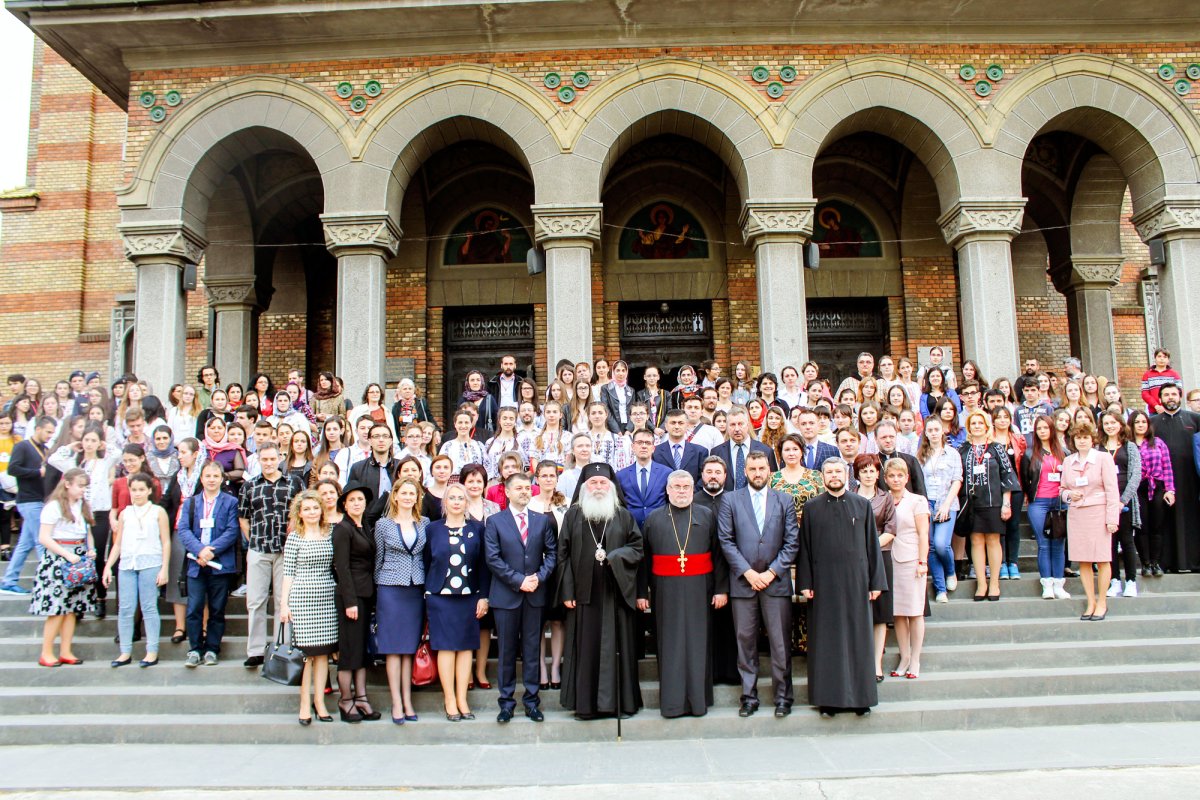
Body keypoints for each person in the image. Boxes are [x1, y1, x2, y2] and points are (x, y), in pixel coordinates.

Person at [797, 457, 887, 717]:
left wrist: (876, 581)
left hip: (856, 582)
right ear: (823, 476)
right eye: (829, 472)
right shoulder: (812, 507)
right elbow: (805, 547)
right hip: (823, 583)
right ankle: (828, 700)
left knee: (859, 639)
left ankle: (861, 699)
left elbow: (872, 545)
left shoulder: (862, 504)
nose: (834, 475)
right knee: (826, 641)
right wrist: (805, 582)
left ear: (847, 475)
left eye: (838, 471)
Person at [638, 470, 728, 717]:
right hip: (665, 591)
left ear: (692, 489)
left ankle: (698, 701)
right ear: (668, 490)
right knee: (670, 644)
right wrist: (641, 592)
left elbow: (719, 555)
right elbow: (644, 559)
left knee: (698, 643)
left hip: (701, 589)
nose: (681, 491)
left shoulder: (706, 515)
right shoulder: (654, 518)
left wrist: (721, 589)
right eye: (676, 487)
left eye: (686, 487)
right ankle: (672, 703)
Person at [558, 462, 644, 719]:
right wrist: (567, 591)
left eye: (603, 483)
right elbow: (562, 555)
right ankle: (586, 706)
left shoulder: (623, 515)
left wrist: (616, 557)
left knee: (616, 647)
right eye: (593, 483)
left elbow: (637, 548)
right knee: (587, 648)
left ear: (611, 486)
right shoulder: (573, 516)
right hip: (583, 595)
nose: (598, 487)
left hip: (615, 591)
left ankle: (619, 704)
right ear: (584, 487)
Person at [717, 450, 799, 718]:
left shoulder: (784, 500)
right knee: (746, 644)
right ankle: (749, 698)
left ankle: (783, 698)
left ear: (769, 470)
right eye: (752, 469)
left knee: (780, 644)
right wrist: (749, 573)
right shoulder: (731, 500)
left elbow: (792, 542)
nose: (757, 473)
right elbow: (726, 541)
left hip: (776, 584)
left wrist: (771, 573)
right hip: (744, 584)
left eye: (762, 468)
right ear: (745, 472)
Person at [484, 471, 556, 723]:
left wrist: (538, 578)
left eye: (527, 488)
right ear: (507, 492)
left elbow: (552, 554)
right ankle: (506, 703)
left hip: (535, 595)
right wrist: (519, 581)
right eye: (519, 488)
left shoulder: (541, 521)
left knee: (532, 650)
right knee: (506, 651)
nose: (524, 492)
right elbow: (493, 558)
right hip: (506, 596)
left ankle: (532, 702)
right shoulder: (495, 521)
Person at [424, 482, 489, 721]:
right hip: (440, 597)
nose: (456, 502)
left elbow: (483, 565)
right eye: (452, 498)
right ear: (444, 502)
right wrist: (427, 592)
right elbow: (426, 561)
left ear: (467, 503)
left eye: (461, 498)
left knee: (465, 648)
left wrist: (483, 596)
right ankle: (449, 699)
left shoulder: (477, 529)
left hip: (469, 597)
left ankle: (462, 699)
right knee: (446, 647)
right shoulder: (433, 529)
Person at [237, 444, 305, 668]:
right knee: (256, 601)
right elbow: (243, 518)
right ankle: (255, 650)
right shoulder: (249, 486)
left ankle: (280, 649)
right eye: (264, 459)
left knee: (283, 601)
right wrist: (254, 540)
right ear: (258, 460)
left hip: (286, 551)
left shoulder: (294, 483)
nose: (268, 463)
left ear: (280, 458)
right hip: (259, 549)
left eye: (272, 459)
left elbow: (302, 511)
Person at [278, 490, 338, 724]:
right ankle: (304, 703)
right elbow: (288, 573)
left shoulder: (329, 533)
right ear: (300, 513)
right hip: (302, 598)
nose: (312, 512)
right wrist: (284, 604)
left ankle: (320, 702)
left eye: (315, 508)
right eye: (307, 509)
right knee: (306, 656)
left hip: (327, 597)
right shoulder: (295, 537)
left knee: (322, 654)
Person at [374, 477, 427, 724]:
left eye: (412, 493)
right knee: (393, 649)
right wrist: (379, 588)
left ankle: (408, 700)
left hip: (415, 589)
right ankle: (396, 702)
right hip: (390, 589)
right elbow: (379, 558)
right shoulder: (383, 524)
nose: (408, 497)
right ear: (395, 496)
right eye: (403, 493)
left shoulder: (424, 523)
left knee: (408, 648)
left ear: (417, 497)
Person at [30, 469, 96, 666]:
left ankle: (66, 650)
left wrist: (91, 549)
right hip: (58, 557)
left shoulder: (82, 505)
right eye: (80, 486)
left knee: (72, 608)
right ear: (67, 484)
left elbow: (88, 532)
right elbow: (44, 537)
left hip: (79, 555)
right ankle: (46, 652)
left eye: (85, 487)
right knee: (57, 608)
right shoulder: (53, 506)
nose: (83, 490)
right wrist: (66, 554)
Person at [103, 472, 169, 668]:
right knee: (125, 608)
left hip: (150, 562)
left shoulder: (158, 511)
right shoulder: (125, 513)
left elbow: (166, 541)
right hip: (127, 563)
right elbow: (118, 543)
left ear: (149, 491)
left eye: (141, 489)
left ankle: (152, 651)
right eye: (134, 490)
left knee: (149, 607)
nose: (137, 493)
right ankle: (125, 652)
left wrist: (164, 568)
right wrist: (108, 566)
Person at [176, 460, 238, 667]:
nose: (211, 480)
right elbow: (184, 530)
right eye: (208, 476)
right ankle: (194, 649)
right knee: (194, 607)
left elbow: (232, 531)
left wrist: (211, 551)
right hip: (196, 563)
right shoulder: (191, 503)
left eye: (215, 476)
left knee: (217, 608)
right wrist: (199, 550)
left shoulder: (231, 502)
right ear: (201, 479)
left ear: (221, 479)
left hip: (219, 563)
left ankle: (212, 648)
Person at [1061, 422, 1121, 621]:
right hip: (1077, 514)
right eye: (1078, 438)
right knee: (1083, 560)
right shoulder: (1068, 461)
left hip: (1099, 513)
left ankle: (1102, 601)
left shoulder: (1103, 458)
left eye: (1085, 437)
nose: (1082, 441)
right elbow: (1062, 489)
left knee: (1102, 559)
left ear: (1092, 439)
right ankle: (1090, 601)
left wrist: (1112, 519)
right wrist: (1069, 495)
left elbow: (1112, 490)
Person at [959, 410, 1020, 601]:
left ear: (986, 426)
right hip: (971, 503)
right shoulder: (963, 449)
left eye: (980, 423)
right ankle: (981, 583)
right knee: (976, 541)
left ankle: (994, 583)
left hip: (993, 502)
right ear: (968, 427)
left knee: (993, 540)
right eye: (973, 423)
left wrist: (1006, 503)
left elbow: (1007, 475)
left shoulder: (996, 448)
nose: (977, 426)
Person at [883, 458, 930, 678]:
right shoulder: (883, 500)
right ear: (885, 478)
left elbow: (923, 534)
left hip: (911, 560)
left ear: (907, 478)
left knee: (915, 611)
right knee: (899, 613)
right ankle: (904, 657)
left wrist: (922, 561)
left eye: (900, 475)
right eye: (892, 476)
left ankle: (916, 659)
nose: (896, 479)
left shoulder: (917, 501)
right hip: (889, 559)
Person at [0, 416, 56, 595]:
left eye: (52, 433)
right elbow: (12, 469)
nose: (50, 435)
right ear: (38, 429)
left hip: (39, 499)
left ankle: (9, 580)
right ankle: (48, 582)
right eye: (48, 432)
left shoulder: (45, 449)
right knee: (42, 541)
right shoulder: (22, 446)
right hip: (28, 500)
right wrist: (37, 472)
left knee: (25, 544)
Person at [1150, 385, 1199, 572]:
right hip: (1163, 482)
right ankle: (1167, 563)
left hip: (1190, 480)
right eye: (1166, 394)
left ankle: (1193, 562)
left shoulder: (1195, 419)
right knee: (1165, 521)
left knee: (1191, 521)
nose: (1170, 397)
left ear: (1180, 397)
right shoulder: (1152, 422)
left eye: (1173, 394)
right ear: (1160, 398)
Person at [918, 418, 962, 603]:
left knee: (942, 543)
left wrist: (946, 505)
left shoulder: (952, 453)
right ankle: (940, 589)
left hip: (947, 502)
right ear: (926, 433)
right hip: (927, 503)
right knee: (931, 547)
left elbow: (957, 480)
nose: (934, 433)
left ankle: (950, 571)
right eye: (930, 430)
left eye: (937, 429)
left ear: (942, 431)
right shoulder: (921, 455)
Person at [1098, 411, 1142, 599]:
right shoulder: (1098, 448)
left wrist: (1122, 500)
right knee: (1109, 543)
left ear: (1121, 424)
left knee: (1127, 541)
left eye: (1113, 423)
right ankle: (1114, 580)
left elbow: (1136, 475)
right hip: (1104, 503)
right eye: (1106, 423)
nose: (1110, 426)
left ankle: (1131, 581)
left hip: (1125, 503)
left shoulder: (1129, 446)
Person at [1129, 410, 1174, 578]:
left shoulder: (1158, 443)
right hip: (1137, 488)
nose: (1141, 425)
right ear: (1132, 425)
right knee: (1142, 526)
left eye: (1144, 422)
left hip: (1157, 486)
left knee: (1157, 526)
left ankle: (1155, 563)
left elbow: (1167, 467)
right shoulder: (1128, 444)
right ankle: (1145, 563)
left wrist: (1170, 490)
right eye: (1137, 422)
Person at [711, 406, 778, 492]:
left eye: (740, 424)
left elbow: (772, 481)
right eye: (732, 425)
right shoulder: (717, 452)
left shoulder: (766, 451)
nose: (737, 429)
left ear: (747, 425)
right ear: (727, 427)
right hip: (726, 499)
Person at [617, 429, 671, 528]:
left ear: (653, 448)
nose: (644, 446)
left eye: (648, 443)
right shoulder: (621, 475)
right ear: (633, 447)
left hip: (659, 527)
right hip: (631, 529)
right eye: (639, 442)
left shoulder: (666, 473)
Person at [349, 424, 401, 502]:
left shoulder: (401, 466)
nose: (381, 440)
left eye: (385, 436)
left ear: (391, 441)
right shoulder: (358, 468)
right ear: (369, 441)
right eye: (376, 436)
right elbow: (351, 497)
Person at [652, 409, 707, 483]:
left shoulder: (700, 452)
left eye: (681, 423)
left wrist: (690, 490)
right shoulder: (655, 452)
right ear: (666, 426)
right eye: (673, 423)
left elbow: (704, 478)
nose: (677, 426)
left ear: (687, 425)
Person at [1141, 349, 1183, 414]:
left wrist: (1166, 407)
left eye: (1165, 357)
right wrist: (1156, 406)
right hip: (1154, 411)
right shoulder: (1147, 375)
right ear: (1155, 358)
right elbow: (1145, 393)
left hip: (1171, 410)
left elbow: (1179, 392)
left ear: (1168, 360)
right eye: (1159, 356)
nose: (1162, 359)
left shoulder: (1174, 374)